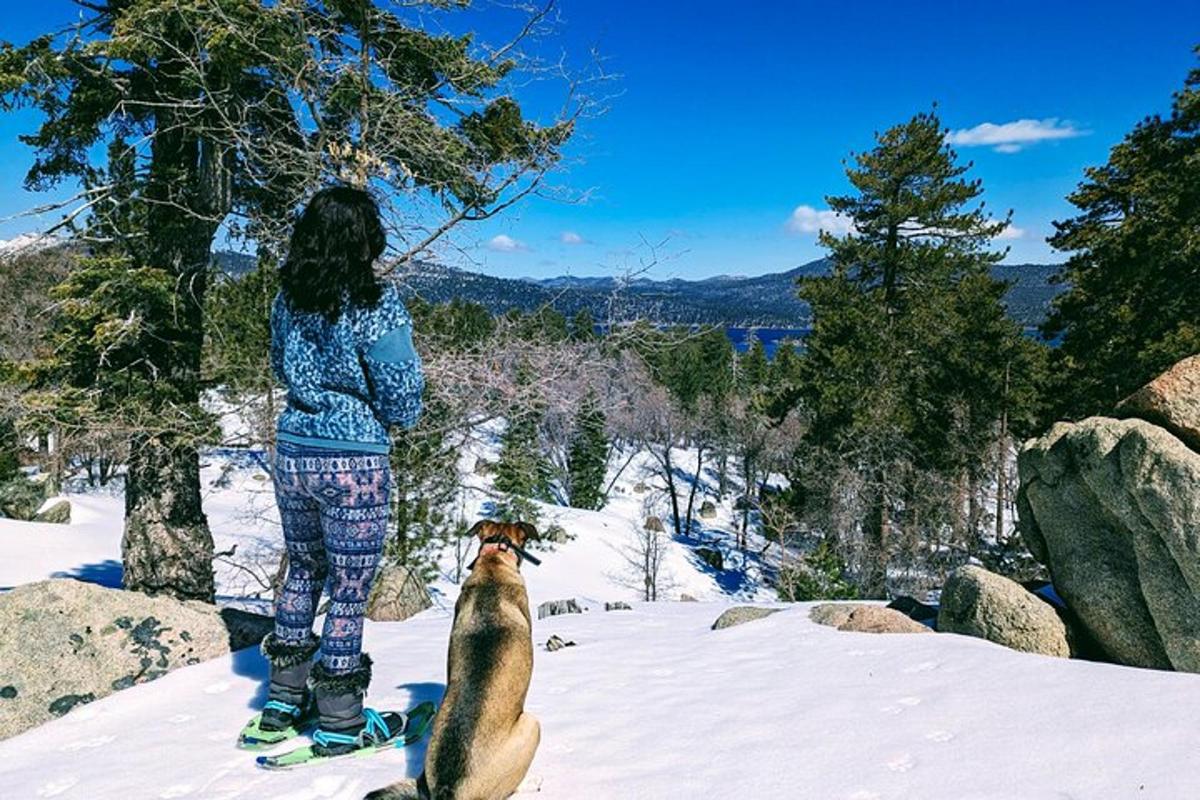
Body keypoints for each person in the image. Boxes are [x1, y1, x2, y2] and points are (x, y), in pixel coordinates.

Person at [245, 185, 423, 757]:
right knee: (348, 591)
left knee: (302, 571)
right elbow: (400, 389)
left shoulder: (286, 299)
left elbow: (279, 364)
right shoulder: (376, 303)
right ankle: (341, 719)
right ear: (364, 239)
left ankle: (280, 702)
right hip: (354, 464)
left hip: (293, 450)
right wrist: (392, 418)